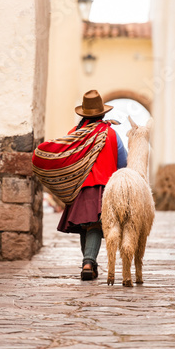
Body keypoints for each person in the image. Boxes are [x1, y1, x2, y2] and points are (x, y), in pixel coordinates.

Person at [57, 90, 127, 281]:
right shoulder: (111, 134)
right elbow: (123, 162)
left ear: (83, 114)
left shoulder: (74, 134)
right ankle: (88, 263)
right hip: (104, 187)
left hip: (79, 187)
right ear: (102, 114)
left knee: (84, 225)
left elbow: (65, 158)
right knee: (94, 225)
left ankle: (89, 264)